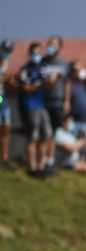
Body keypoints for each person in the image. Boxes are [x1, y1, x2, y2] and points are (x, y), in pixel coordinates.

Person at [19, 42, 53, 177]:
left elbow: (48, 87)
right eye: (34, 53)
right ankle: (32, 168)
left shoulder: (42, 69)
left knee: (46, 135)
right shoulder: (25, 70)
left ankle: (41, 166)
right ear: (29, 54)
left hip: (41, 106)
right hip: (30, 106)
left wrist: (51, 82)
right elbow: (25, 88)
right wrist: (40, 85)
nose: (36, 56)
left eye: (38, 53)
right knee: (32, 137)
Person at [40, 35, 70, 173]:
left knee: (53, 133)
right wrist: (49, 82)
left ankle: (50, 161)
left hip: (57, 103)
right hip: (43, 102)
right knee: (44, 133)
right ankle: (41, 162)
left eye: (54, 44)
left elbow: (67, 84)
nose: (50, 46)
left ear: (59, 47)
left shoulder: (64, 65)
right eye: (49, 44)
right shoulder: (42, 62)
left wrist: (67, 101)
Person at [68, 61, 86, 139]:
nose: (81, 71)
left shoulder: (81, 85)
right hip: (73, 122)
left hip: (83, 122)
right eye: (79, 70)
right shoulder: (68, 85)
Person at [0, 39, 14, 169]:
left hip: (3, 98)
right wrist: (8, 77)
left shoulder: (6, 63)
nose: (6, 53)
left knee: (6, 127)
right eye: (5, 49)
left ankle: (4, 158)